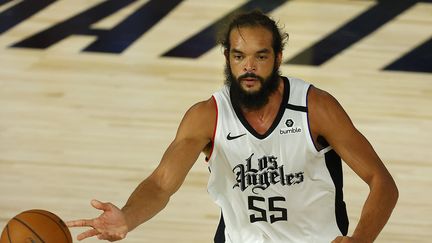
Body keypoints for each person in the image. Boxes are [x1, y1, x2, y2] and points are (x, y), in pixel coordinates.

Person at [67, 10, 398, 243]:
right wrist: (128, 217)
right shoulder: (207, 116)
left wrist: (361, 239)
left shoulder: (316, 108)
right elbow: (161, 184)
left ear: (278, 58)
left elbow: (381, 181)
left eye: (260, 56)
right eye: (239, 57)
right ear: (227, 57)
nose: (249, 67)